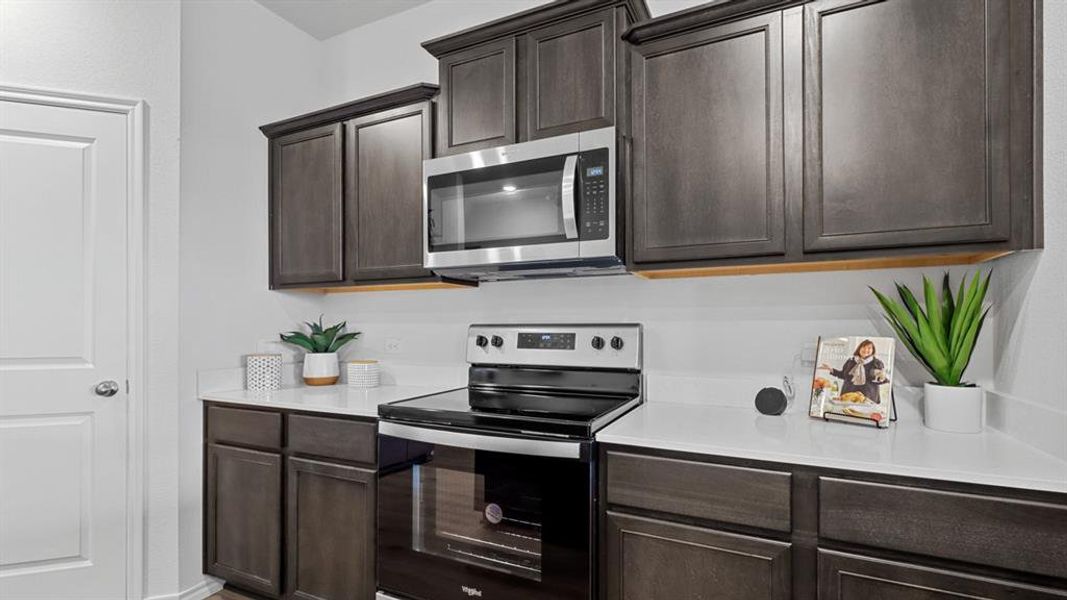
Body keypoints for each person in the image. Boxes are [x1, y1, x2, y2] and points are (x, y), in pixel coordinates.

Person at [819, 339, 888, 403]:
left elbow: (881, 380)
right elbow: (844, 375)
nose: (866, 349)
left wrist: (882, 378)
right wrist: (830, 369)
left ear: (873, 351)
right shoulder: (851, 361)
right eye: (863, 347)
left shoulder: (877, 363)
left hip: (868, 397)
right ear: (859, 349)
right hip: (848, 395)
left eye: (869, 348)